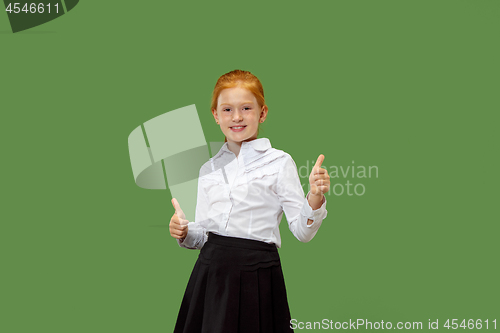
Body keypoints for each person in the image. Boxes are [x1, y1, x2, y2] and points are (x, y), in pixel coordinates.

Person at [169, 69, 330, 332]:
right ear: (215, 115)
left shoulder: (279, 162)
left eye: (246, 108)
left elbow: (302, 232)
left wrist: (314, 195)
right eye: (227, 109)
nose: (237, 117)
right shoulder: (208, 169)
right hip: (211, 275)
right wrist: (184, 231)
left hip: (257, 275)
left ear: (262, 113)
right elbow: (203, 236)